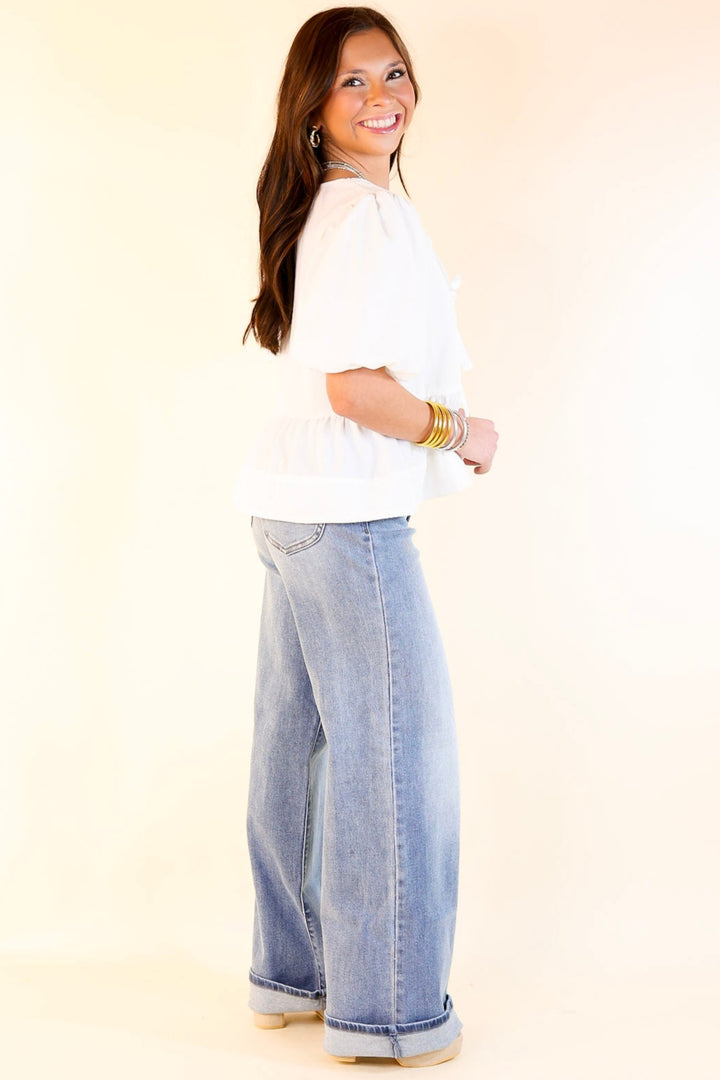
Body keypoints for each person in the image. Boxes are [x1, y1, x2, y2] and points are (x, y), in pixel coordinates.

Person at [235, 6, 498, 1068]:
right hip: (348, 522)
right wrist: (458, 430)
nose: (384, 94)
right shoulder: (361, 217)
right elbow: (355, 388)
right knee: (399, 765)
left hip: (293, 509)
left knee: (293, 752)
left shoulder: (336, 209)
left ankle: (291, 977)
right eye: (353, 82)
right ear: (314, 108)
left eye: (394, 72)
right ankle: (388, 1012)